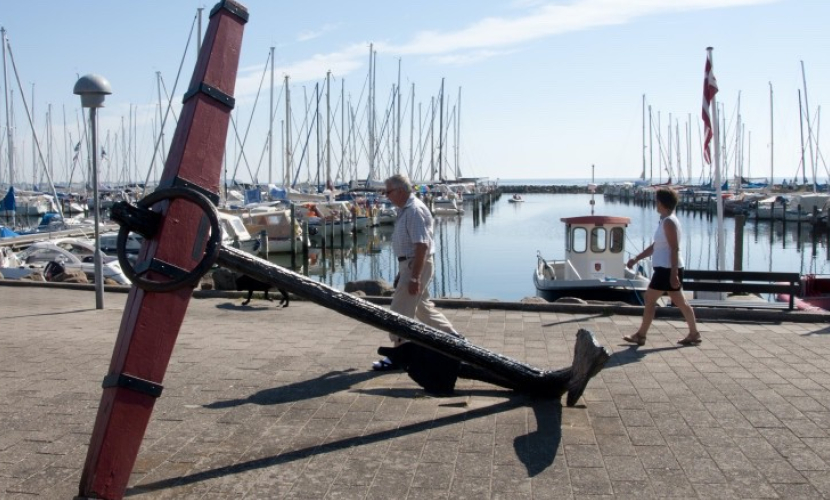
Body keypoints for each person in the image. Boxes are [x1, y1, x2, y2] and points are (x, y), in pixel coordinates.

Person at [372, 174, 464, 370]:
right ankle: (453, 339)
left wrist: (413, 276)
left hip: (415, 264)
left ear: (401, 191)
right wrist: (403, 271)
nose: (386, 196)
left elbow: (421, 246)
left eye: (388, 192)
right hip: (410, 264)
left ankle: (399, 355)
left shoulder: (413, 210)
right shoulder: (405, 210)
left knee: (399, 312)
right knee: (422, 308)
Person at [624, 188, 701, 346]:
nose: (655, 204)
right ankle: (694, 333)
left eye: (657, 201)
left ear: (662, 203)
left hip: (667, 268)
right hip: (666, 268)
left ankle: (641, 335)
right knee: (680, 301)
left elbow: (674, 248)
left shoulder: (669, 222)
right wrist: (637, 258)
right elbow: (656, 246)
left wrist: (673, 274)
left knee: (649, 298)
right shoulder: (665, 221)